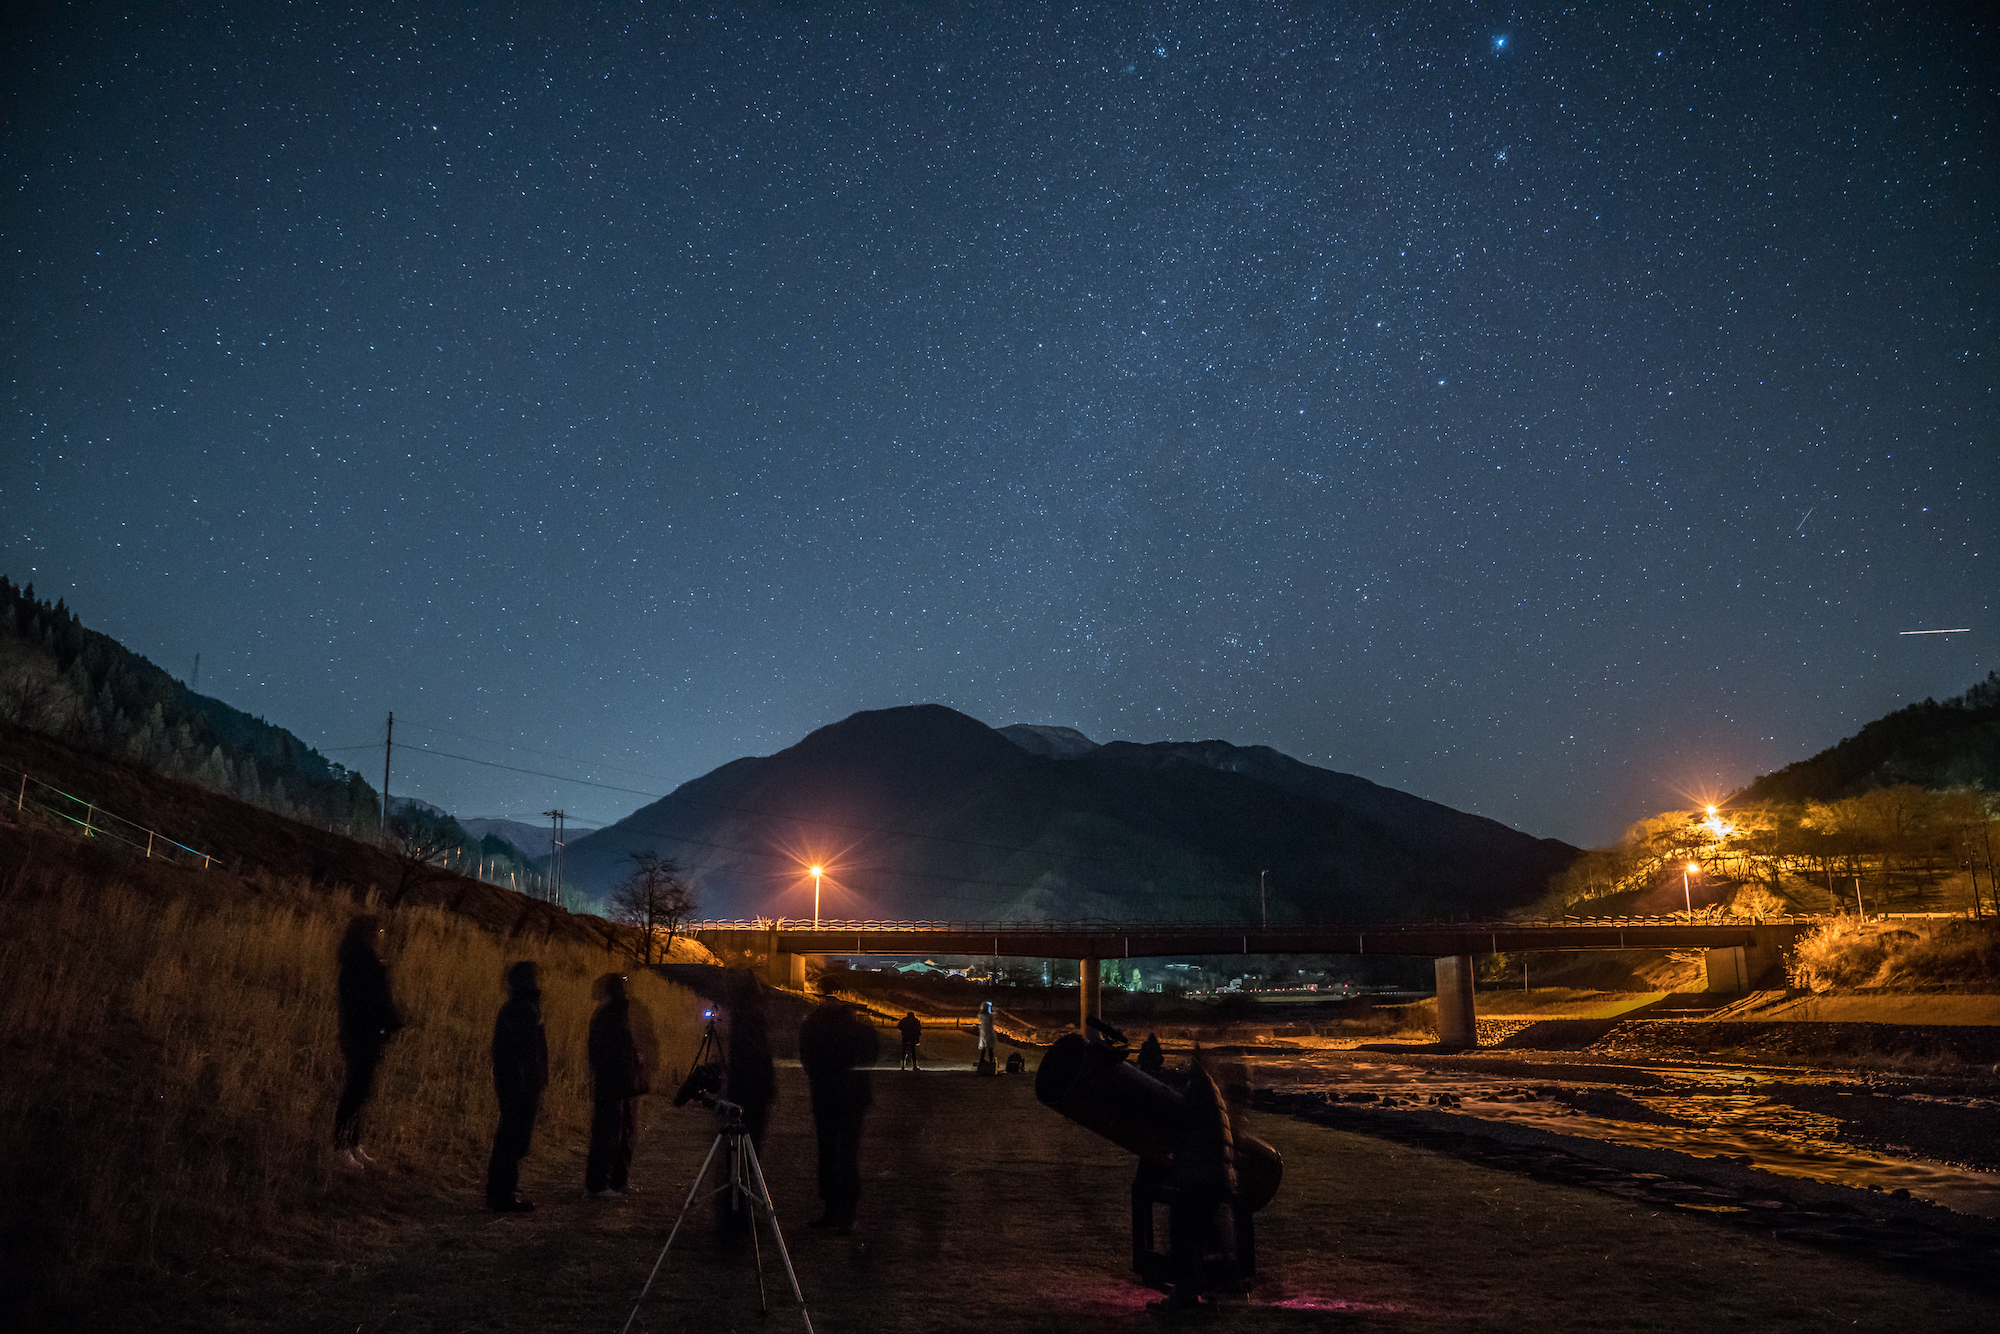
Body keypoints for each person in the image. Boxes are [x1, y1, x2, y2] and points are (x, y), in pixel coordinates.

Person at [797, 977, 879, 1231]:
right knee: (847, 1154)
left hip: (825, 1095)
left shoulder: (814, 1023)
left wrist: (819, 1076)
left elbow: (806, 1055)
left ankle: (832, 1210)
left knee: (829, 1153)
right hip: (853, 1096)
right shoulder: (858, 1025)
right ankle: (847, 1212)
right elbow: (872, 1053)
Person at [334, 915, 403, 1170]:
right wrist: (388, 1021)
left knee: (361, 1090)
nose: (383, 935)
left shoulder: (359, 960)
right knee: (356, 1089)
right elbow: (371, 1000)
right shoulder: (361, 962)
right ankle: (341, 1147)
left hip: (363, 1033)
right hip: (362, 1033)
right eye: (380, 930)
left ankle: (352, 1143)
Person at [487, 961, 548, 1213]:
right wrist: (528, 1082)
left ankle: (501, 1193)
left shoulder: (521, 1007)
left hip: (517, 1083)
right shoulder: (524, 1009)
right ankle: (502, 1195)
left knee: (511, 1138)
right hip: (520, 1084)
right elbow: (525, 1052)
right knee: (513, 1138)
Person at [586, 972, 650, 1198]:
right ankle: (599, 1183)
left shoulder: (617, 1015)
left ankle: (617, 1181)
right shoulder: (611, 1016)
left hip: (621, 1082)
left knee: (622, 1133)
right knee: (609, 1133)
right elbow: (607, 1053)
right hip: (615, 1083)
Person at [975, 999, 997, 1074]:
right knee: (990, 1047)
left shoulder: (980, 1015)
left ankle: (982, 1059)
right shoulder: (989, 1016)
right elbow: (993, 1018)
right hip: (989, 1032)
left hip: (983, 1031)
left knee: (984, 1047)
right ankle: (991, 1061)